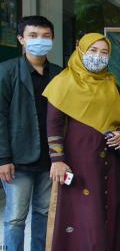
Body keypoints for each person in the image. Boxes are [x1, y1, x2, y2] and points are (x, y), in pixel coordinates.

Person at [42, 33, 120, 251]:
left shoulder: (111, 84)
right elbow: (53, 124)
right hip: (77, 162)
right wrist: (58, 160)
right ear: (80, 51)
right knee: (83, 216)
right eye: (93, 51)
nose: (98, 56)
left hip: (109, 161)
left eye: (104, 52)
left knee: (110, 211)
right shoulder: (63, 82)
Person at [0, 15, 61, 251]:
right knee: (15, 217)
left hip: (51, 159)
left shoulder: (59, 74)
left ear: (52, 39)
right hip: (18, 159)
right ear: (21, 39)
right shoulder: (6, 72)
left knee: (45, 213)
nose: (40, 41)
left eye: (46, 36)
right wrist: (3, 158)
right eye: (33, 36)